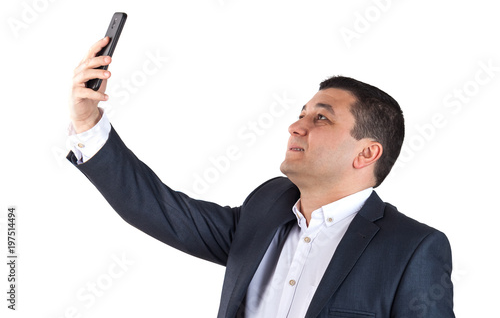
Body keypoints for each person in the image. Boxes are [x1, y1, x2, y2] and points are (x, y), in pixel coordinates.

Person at [67, 37, 455, 317]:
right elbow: (158, 210)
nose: (295, 126)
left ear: (367, 153)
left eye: (321, 117)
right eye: (301, 113)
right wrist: (88, 123)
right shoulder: (265, 209)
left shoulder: (412, 249)